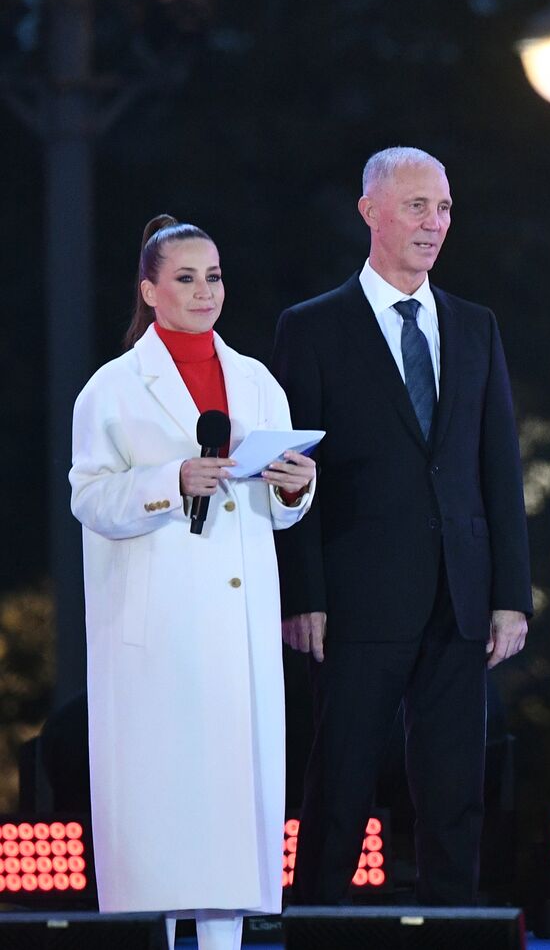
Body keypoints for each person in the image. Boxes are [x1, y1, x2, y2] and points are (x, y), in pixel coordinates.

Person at [273, 146, 532, 906]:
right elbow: (291, 472)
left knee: (455, 794)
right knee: (341, 789)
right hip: (355, 602)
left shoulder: (476, 326)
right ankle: (315, 925)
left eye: (444, 207)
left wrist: (510, 594)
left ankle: (456, 929)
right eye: (418, 205)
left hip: (461, 598)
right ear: (371, 211)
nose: (434, 222)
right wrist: (303, 593)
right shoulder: (312, 328)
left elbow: (499, 468)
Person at [71, 215, 317, 950]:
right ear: (149, 290)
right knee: (159, 811)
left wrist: (296, 487)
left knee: (227, 814)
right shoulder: (113, 388)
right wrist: (168, 481)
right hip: (158, 629)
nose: (204, 290)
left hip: (236, 632)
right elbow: (89, 497)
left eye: (212, 276)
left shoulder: (256, 381)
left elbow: (275, 513)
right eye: (184, 277)